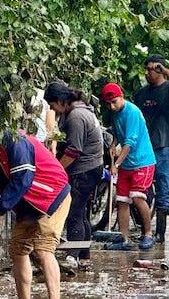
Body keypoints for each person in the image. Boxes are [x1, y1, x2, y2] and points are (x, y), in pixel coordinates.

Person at [0, 130, 71, 299]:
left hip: (52, 195)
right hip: (28, 203)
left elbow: (24, 177)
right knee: (18, 250)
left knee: (43, 250)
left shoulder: (14, 139)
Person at [43, 81, 105, 270]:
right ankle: (84, 256)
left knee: (73, 213)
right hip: (93, 167)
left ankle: (72, 256)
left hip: (83, 171)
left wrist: (57, 170)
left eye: (52, 105)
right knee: (82, 212)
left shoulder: (76, 117)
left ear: (60, 100)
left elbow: (73, 151)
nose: (53, 110)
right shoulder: (81, 109)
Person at [133, 54, 169, 243]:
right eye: (147, 69)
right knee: (141, 190)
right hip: (144, 149)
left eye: (153, 69)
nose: (148, 73)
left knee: (163, 189)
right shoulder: (141, 95)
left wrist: (166, 71)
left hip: (164, 146)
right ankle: (146, 229)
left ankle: (160, 233)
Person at [101, 82, 157, 250]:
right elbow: (118, 132)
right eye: (108, 104)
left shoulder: (132, 112)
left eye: (114, 102)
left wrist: (116, 164)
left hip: (142, 161)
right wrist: (113, 145)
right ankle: (123, 238)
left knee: (137, 197)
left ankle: (148, 233)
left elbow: (130, 142)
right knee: (122, 200)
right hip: (127, 163)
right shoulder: (115, 113)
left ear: (122, 97)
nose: (112, 107)